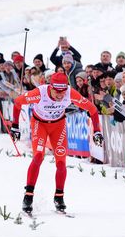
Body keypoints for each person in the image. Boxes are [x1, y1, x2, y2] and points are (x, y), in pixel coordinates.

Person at [10, 72, 103, 215]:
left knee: (61, 161)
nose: (60, 95)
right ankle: (28, 195)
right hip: (39, 124)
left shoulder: (70, 93)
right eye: (57, 91)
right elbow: (18, 102)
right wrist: (15, 125)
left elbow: (92, 109)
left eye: (63, 91)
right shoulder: (39, 93)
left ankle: (59, 197)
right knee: (38, 156)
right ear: (50, 87)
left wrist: (96, 130)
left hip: (58, 126)